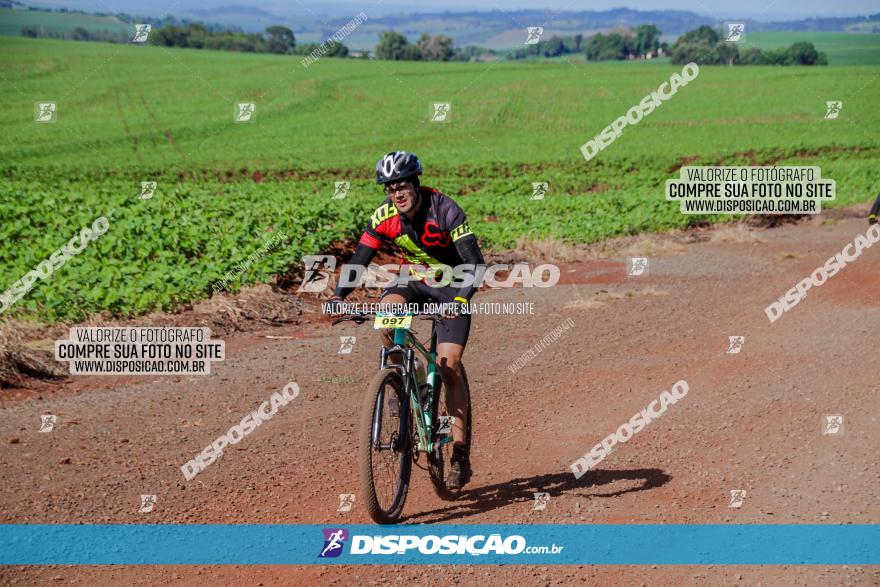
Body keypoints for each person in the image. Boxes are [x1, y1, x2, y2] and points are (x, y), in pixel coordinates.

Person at [328, 151, 485, 489]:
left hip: (451, 285)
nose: (396, 194)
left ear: (416, 184)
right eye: (389, 188)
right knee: (387, 322)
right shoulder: (384, 217)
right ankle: (404, 381)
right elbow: (359, 260)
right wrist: (339, 297)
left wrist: (460, 300)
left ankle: (458, 451)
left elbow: (475, 263)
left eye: (402, 186)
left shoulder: (445, 209)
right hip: (411, 281)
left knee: (449, 365)